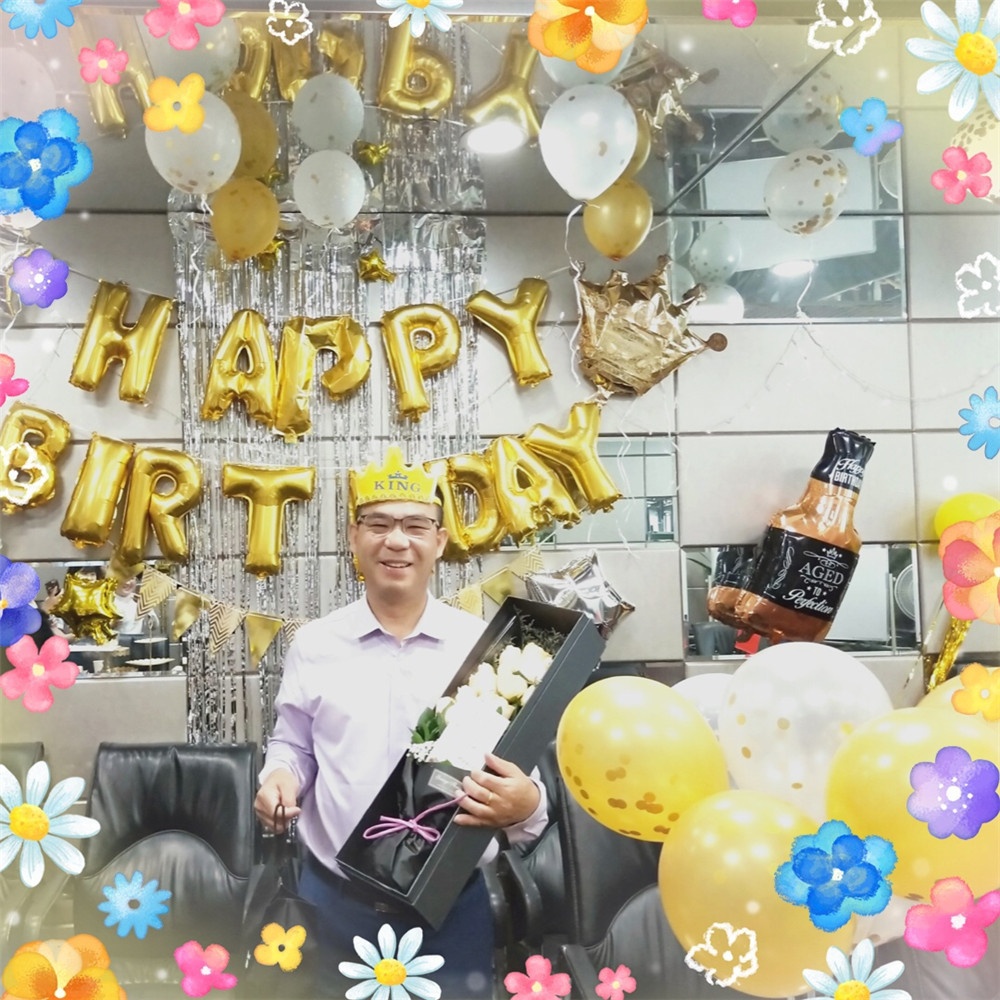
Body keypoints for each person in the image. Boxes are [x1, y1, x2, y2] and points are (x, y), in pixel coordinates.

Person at [254, 447, 547, 998]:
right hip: (332, 906)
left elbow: (517, 768)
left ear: (439, 541)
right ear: (354, 537)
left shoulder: (483, 648)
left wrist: (527, 805)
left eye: (415, 526)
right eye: (378, 524)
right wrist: (280, 778)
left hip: (451, 907)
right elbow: (293, 744)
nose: (396, 540)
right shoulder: (315, 645)